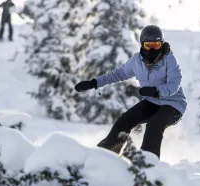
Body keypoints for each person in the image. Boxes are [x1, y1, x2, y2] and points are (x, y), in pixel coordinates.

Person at [74, 25, 186, 159]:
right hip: (152, 102)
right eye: (148, 45)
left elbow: (174, 84)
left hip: (174, 104)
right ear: (142, 44)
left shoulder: (169, 60)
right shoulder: (136, 61)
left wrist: (156, 91)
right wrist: (95, 82)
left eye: (156, 45)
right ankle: (106, 154)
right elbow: (118, 74)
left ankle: (147, 161)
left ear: (161, 44)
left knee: (155, 124)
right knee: (125, 120)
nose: (152, 49)